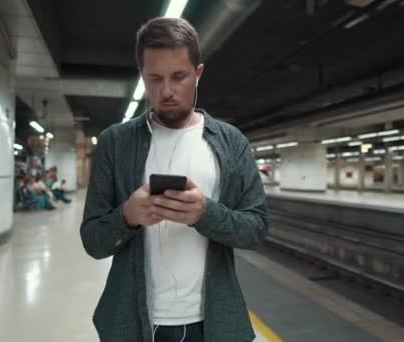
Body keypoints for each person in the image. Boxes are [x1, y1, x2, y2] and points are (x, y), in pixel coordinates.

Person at [80, 17, 269, 342]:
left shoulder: (231, 141)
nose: (166, 91)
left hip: (213, 324)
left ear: (198, 73)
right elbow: (93, 241)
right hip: (132, 322)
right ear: (142, 76)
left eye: (179, 77)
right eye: (154, 79)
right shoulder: (116, 141)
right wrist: (127, 216)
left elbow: (256, 230)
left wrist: (205, 214)